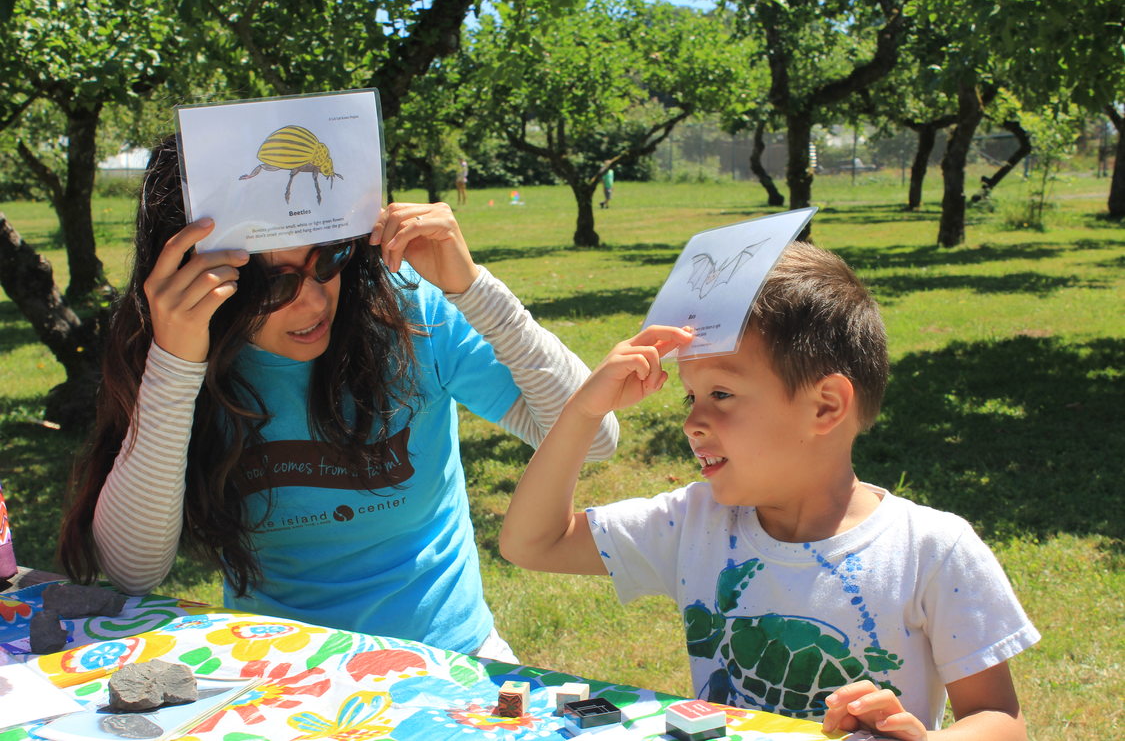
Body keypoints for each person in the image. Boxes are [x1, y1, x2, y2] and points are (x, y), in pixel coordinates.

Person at [58, 135, 618, 661]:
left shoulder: (407, 315)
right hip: (279, 669)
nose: (312, 303)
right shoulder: (181, 348)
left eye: (327, 260)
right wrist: (175, 364)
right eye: (271, 285)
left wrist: (470, 288)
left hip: (449, 659)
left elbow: (593, 438)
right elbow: (133, 571)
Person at [500, 243, 1039, 738]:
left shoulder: (932, 550)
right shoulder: (693, 522)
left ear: (826, 405)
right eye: (690, 398)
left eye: (720, 393)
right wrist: (584, 412)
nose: (693, 422)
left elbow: (1000, 718)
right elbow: (533, 543)